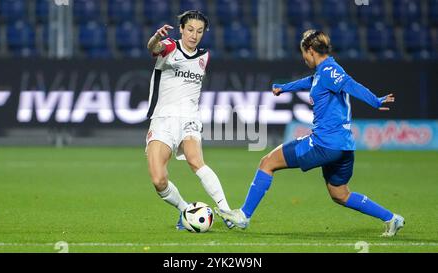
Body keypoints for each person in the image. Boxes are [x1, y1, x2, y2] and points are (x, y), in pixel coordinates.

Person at [215, 30, 404, 237]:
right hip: (344, 147)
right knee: (340, 194)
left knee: (267, 162)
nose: (303, 58)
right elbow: (310, 82)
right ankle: (391, 218)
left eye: (303, 53)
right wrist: (284, 88)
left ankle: (243, 216)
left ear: (311, 50)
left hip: (325, 143)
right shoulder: (323, 72)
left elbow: (350, 84)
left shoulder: (331, 69)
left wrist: (375, 101)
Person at [145, 10, 234, 230]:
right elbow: (153, 48)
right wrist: (156, 38)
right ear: (182, 29)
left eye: (200, 31)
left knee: (196, 161)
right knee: (158, 180)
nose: (194, 35)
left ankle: (226, 211)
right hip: (163, 119)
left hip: (189, 117)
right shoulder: (170, 47)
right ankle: (186, 210)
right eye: (190, 30)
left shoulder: (204, 56)